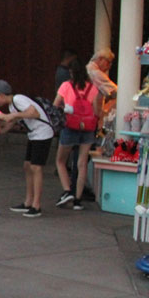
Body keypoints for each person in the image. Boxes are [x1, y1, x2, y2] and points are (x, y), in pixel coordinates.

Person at [0, 79, 52, 217]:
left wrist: (15, 115)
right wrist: (0, 129)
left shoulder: (18, 99)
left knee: (36, 167)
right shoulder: (12, 106)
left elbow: (34, 113)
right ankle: (28, 201)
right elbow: (12, 121)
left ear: (1, 95)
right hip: (34, 134)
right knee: (27, 166)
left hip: (42, 133)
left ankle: (36, 205)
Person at [53, 59, 101, 211]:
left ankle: (68, 191)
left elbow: (55, 105)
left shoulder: (66, 86)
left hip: (70, 126)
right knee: (82, 163)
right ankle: (78, 200)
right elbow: (97, 112)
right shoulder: (93, 88)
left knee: (60, 161)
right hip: (87, 128)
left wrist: (65, 108)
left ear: (71, 72)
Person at [86, 48, 117, 115]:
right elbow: (115, 91)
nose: (109, 66)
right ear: (100, 59)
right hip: (92, 112)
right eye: (108, 62)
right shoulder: (95, 73)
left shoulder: (87, 68)